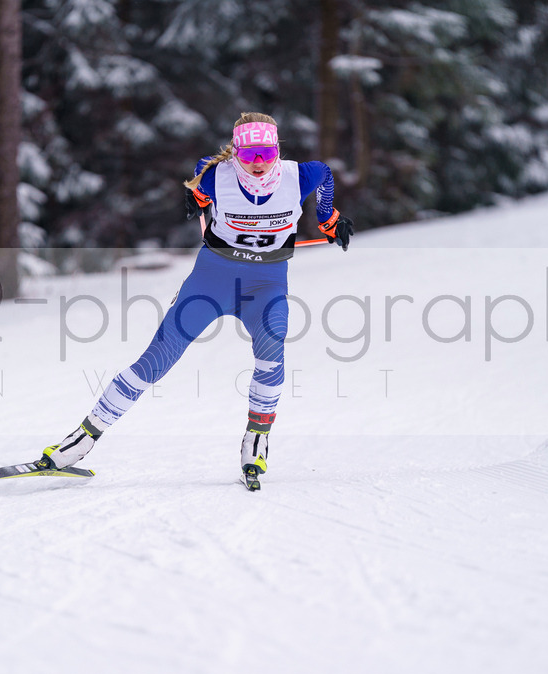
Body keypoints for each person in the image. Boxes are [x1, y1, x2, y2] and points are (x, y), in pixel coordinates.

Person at [36, 112, 354, 488]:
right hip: (211, 281)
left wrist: (328, 218)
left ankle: (256, 440)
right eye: (249, 155)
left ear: (277, 150)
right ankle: (80, 441)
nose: (257, 164)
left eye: (266, 154)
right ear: (235, 153)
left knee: (272, 353)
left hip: (266, 286)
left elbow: (327, 178)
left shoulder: (302, 175)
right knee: (155, 360)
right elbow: (198, 189)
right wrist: (195, 197)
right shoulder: (214, 173)